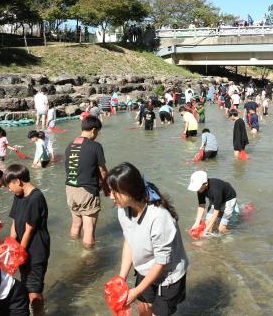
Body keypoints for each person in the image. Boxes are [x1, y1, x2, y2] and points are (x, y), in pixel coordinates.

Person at [107, 162, 188, 316]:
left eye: (114, 191)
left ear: (129, 191)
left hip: (168, 274)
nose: (110, 196)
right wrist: (121, 278)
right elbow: (129, 241)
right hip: (146, 267)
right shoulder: (122, 210)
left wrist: (136, 291)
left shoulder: (158, 217)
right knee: (143, 309)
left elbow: (161, 262)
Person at [4, 164, 50, 315]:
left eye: (9, 185)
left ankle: (39, 312)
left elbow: (29, 231)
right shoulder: (18, 196)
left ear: (17, 181)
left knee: (34, 291)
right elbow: (14, 223)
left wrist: (19, 253)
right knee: (25, 284)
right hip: (21, 249)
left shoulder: (36, 198)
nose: (9, 189)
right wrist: (10, 247)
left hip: (36, 250)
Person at [64, 116, 107, 249]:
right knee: (89, 230)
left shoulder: (70, 145)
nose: (97, 135)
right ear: (93, 130)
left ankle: (72, 248)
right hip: (87, 190)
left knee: (76, 225)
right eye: (98, 132)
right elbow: (103, 171)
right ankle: (88, 259)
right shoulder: (95, 146)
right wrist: (106, 188)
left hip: (70, 189)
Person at [188, 170, 237, 235]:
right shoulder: (200, 189)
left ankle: (232, 234)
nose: (197, 189)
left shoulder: (216, 191)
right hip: (215, 199)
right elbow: (201, 205)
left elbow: (216, 211)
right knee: (207, 223)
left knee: (221, 229)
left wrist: (206, 230)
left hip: (229, 199)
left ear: (205, 184)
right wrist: (196, 223)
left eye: (198, 187)